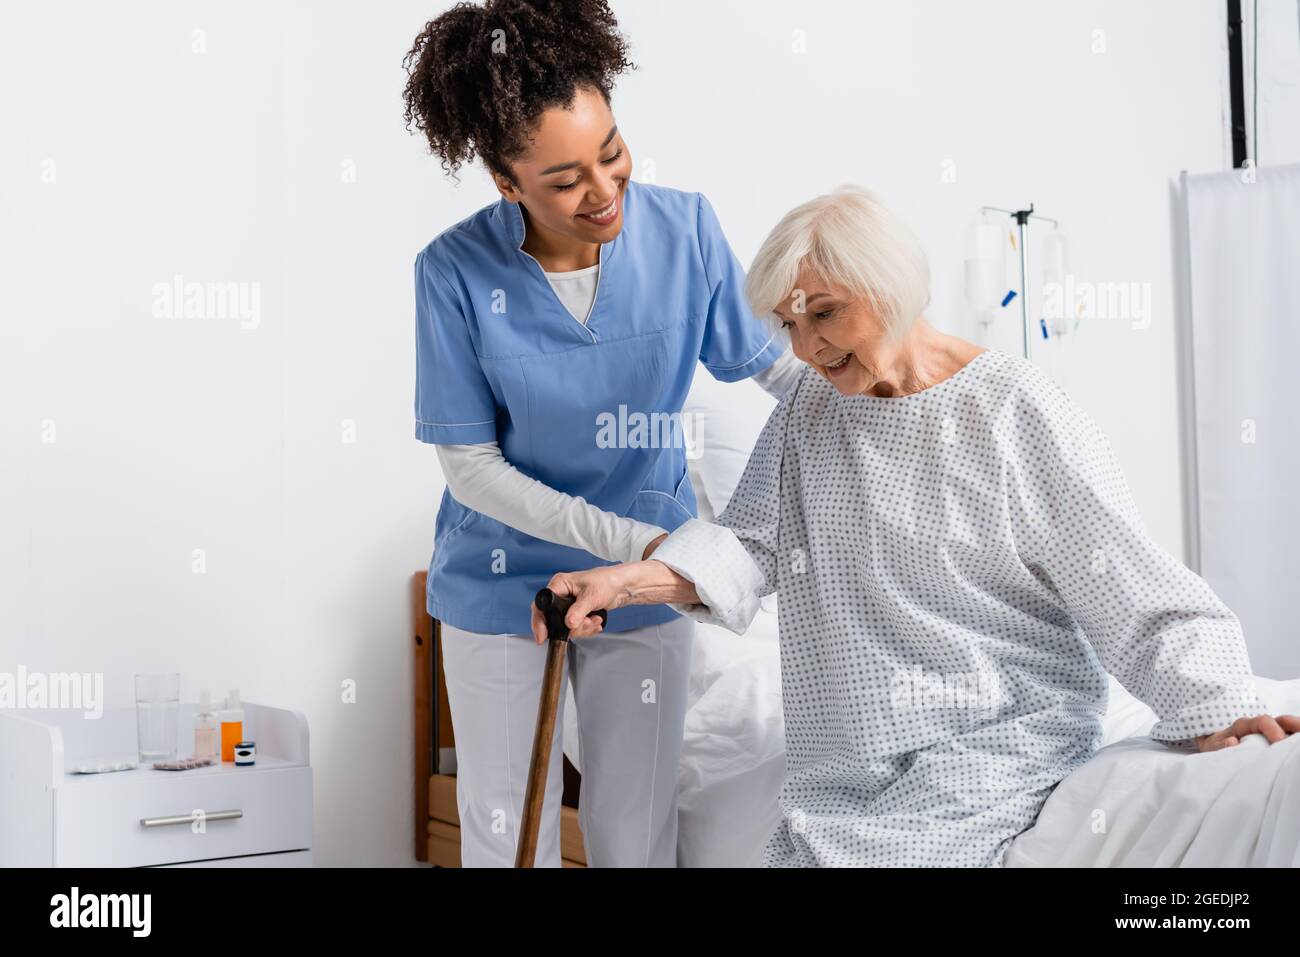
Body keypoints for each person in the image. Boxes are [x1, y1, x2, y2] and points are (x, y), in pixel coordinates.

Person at [530, 184, 1300, 867]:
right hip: (852, 755)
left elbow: (1124, 574)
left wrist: (1220, 702)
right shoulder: (809, 410)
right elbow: (749, 541)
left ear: (890, 289)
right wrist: (624, 579)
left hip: (1004, 731)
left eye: (824, 314)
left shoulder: (1014, 411)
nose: (807, 347)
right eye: (790, 324)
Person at [403, 0, 802, 867]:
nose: (604, 190)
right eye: (564, 180)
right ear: (507, 184)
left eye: (612, 152)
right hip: (502, 576)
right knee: (510, 828)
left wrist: (901, 398)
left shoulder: (685, 231)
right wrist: (640, 543)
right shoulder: (454, 274)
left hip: (648, 581)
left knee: (637, 831)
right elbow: (471, 468)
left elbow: (785, 371)